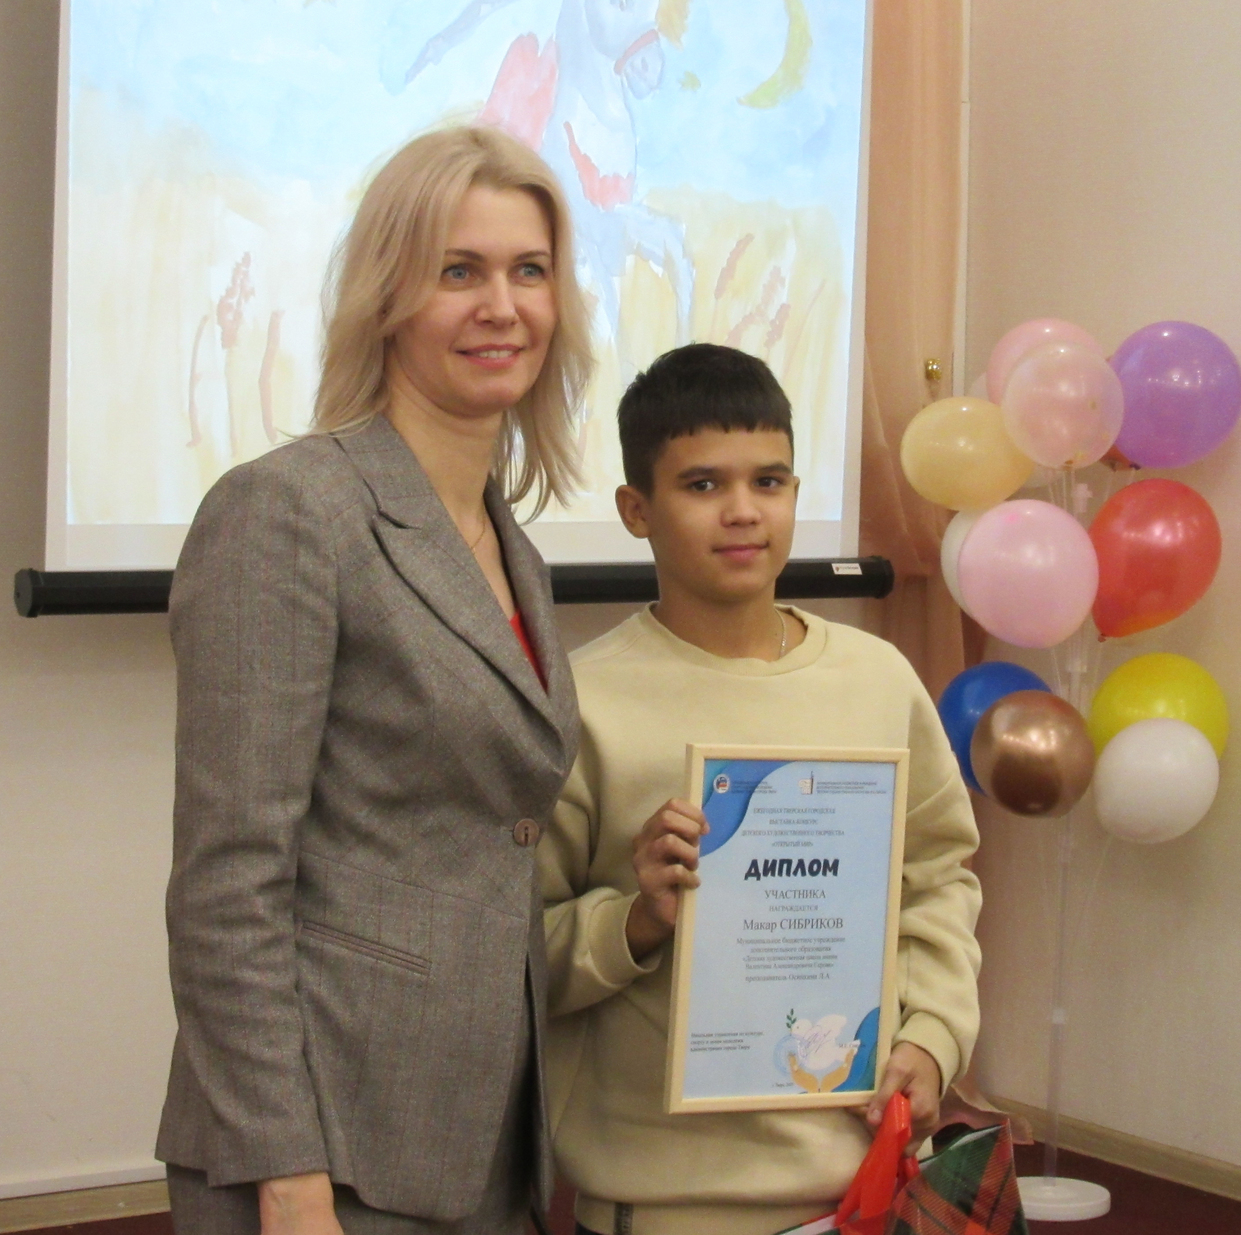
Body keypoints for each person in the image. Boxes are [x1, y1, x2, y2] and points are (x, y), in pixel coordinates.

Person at [157, 126, 594, 1235]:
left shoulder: (513, 550)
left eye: (528, 270)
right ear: (388, 296)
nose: (501, 307)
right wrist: (285, 1168)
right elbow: (228, 881)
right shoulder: (290, 511)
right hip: (324, 1150)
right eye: (459, 272)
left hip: (479, 1136)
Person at [538, 344, 982, 1235]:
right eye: (702, 484)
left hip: (860, 1189)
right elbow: (514, 951)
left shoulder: (877, 678)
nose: (743, 511)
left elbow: (938, 882)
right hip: (658, 1204)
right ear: (636, 510)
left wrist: (933, 1036)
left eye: (769, 482)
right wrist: (636, 921)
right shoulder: (580, 701)